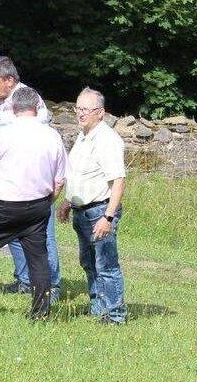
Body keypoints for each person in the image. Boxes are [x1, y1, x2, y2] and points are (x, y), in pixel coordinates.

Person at [0, 87, 67, 319]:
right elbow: (60, 180)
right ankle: (40, 312)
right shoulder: (52, 135)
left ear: (12, 108)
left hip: (6, 205)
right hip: (39, 204)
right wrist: (47, 201)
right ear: (38, 108)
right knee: (38, 258)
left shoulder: (5, 133)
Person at [0, 56, 61, 299]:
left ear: (10, 80)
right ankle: (25, 280)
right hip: (9, 175)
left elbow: (37, 132)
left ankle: (52, 286)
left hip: (34, 179)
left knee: (42, 236)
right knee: (13, 234)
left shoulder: (30, 99)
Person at [56, 88, 128, 324]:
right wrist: (68, 201)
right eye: (78, 108)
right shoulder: (83, 136)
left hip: (100, 210)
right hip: (81, 210)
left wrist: (107, 218)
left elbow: (118, 181)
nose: (80, 113)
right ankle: (99, 308)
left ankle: (115, 315)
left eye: (86, 109)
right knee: (88, 262)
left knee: (106, 264)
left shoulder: (107, 140)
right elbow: (80, 175)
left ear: (101, 113)